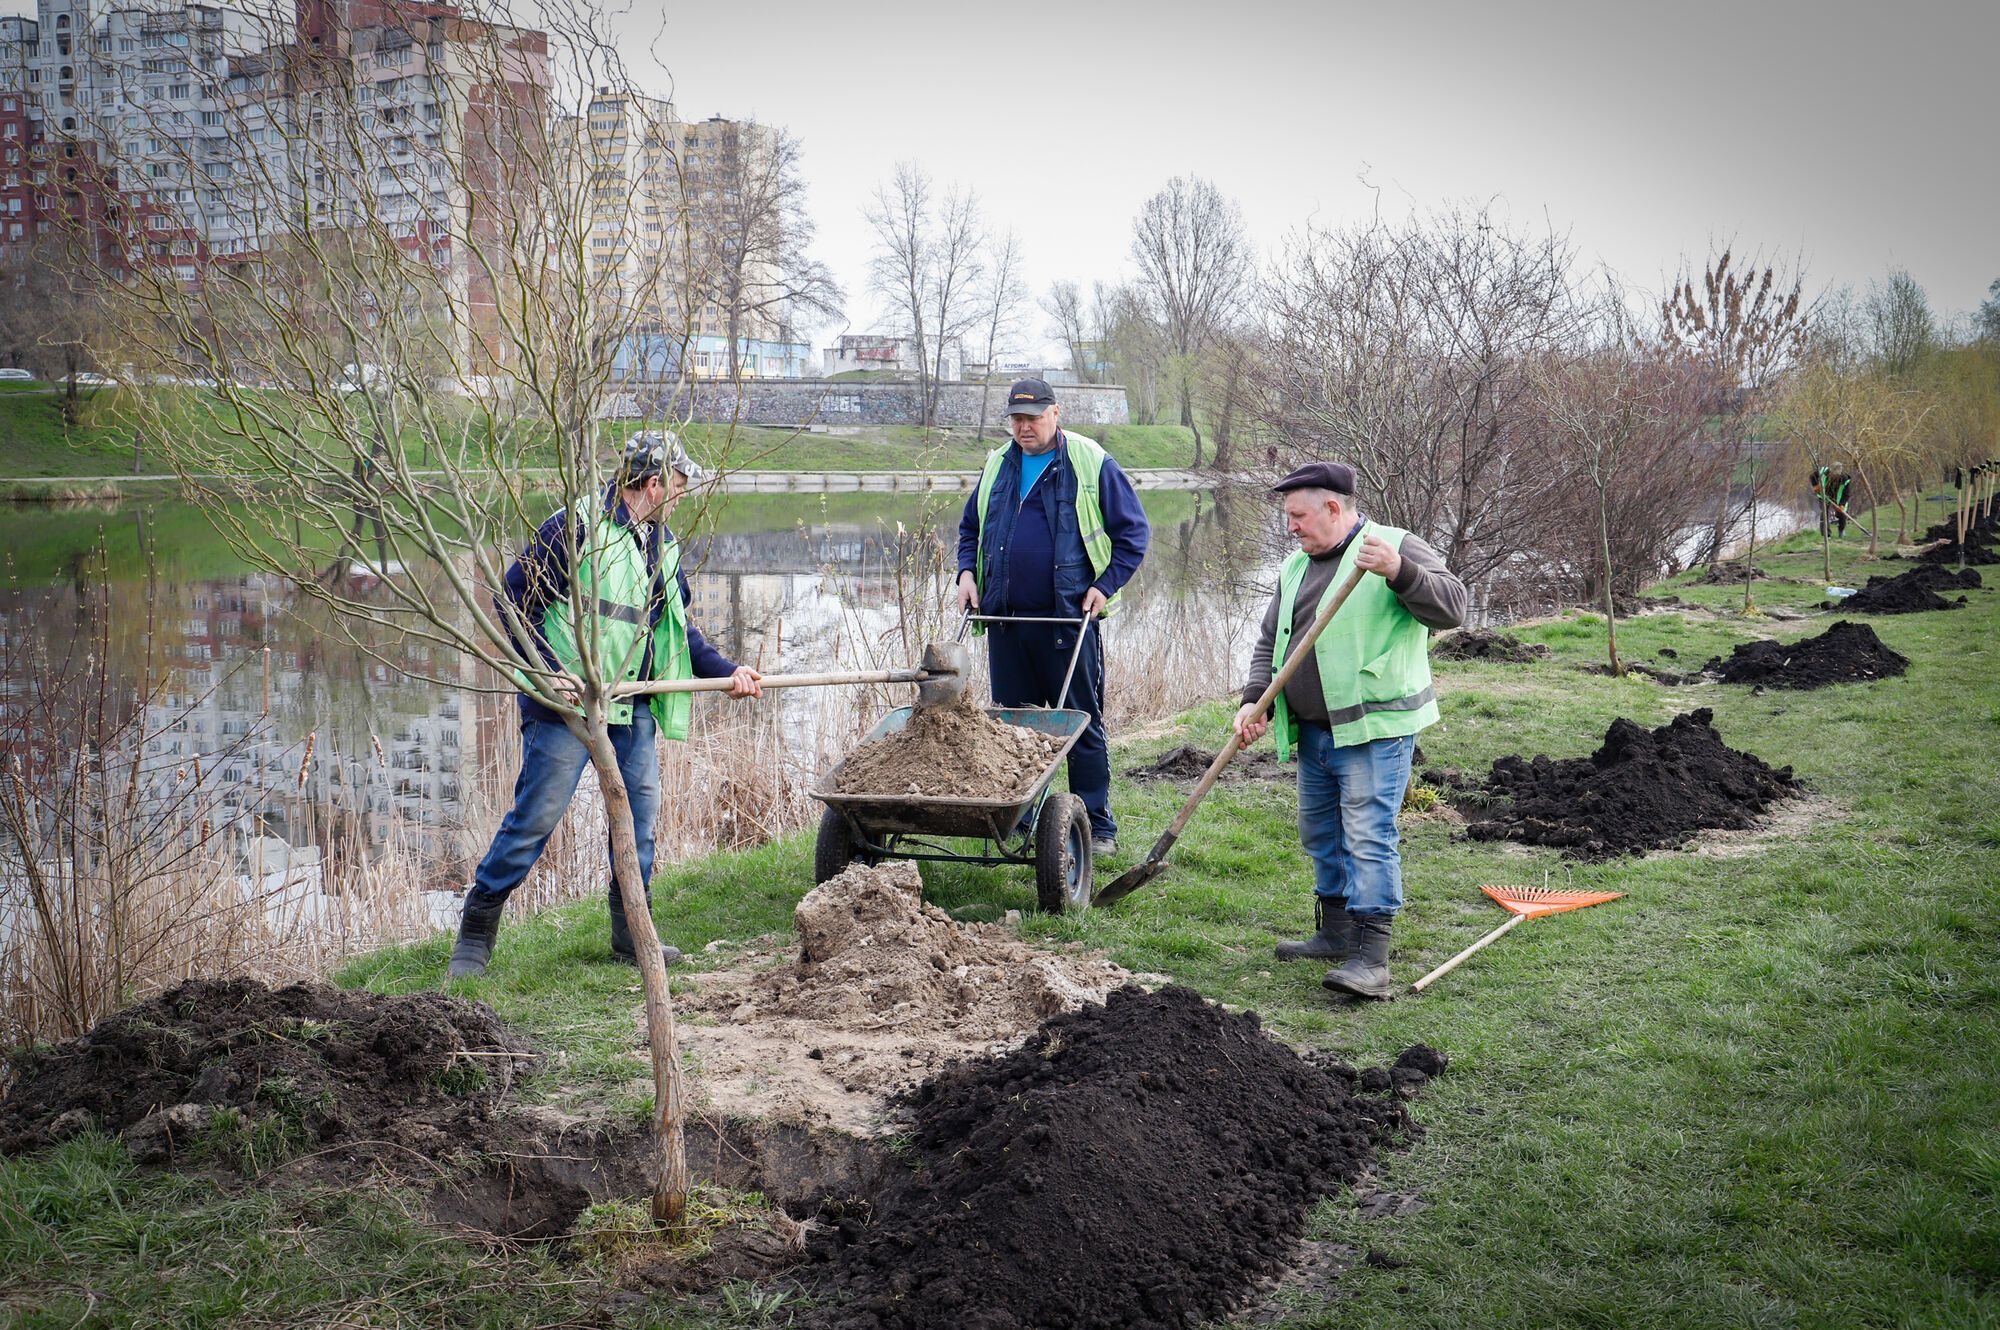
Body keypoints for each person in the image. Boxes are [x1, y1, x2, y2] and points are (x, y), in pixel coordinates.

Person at [448, 432, 762, 979]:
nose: (685, 495)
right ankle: (476, 931)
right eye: (682, 485)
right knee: (537, 817)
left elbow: (677, 633)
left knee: (639, 823)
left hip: (635, 706)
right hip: (569, 706)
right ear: (655, 482)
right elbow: (512, 602)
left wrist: (726, 673)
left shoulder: (661, 545)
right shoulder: (577, 527)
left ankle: (630, 933)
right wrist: (549, 670)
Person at [1233, 462, 1466, 1000]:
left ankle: (1371, 957)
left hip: (1373, 729)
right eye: (1288, 517)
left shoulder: (1395, 546)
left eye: (1298, 516)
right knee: (1321, 833)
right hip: (1313, 731)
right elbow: (1272, 640)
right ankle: (1336, 933)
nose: (1290, 527)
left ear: (1334, 508)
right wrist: (1255, 700)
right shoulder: (1295, 566)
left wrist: (1400, 572)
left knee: (1367, 836)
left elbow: (1453, 608)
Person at [956, 378, 1150, 855]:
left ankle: (1096, 826)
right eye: (1017, 420)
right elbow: (969, 527)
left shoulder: (1089, 461)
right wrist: (965, 572)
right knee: (1012, 726)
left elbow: (1134, 536)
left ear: (1056, 413)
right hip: (1006, 621)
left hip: (1068, 621)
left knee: (1078, 722)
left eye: (1033, 418)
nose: (1024, 428)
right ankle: (1020, 818)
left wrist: (1104, 587)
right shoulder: (997, 463)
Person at [1811, 465, 1853, 538]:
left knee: (1842, 514)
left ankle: (1841, 531)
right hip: (1824, 495)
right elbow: (1812, 476)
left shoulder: (1845, 479)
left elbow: (1846, 494)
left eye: (1836, 476)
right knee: (1824, 513)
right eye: (1832, 475)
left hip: (1838, 497)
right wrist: (1815, 485)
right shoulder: (1823, 471)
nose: (1834, 477)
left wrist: (1841, 505)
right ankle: (1826, 535)